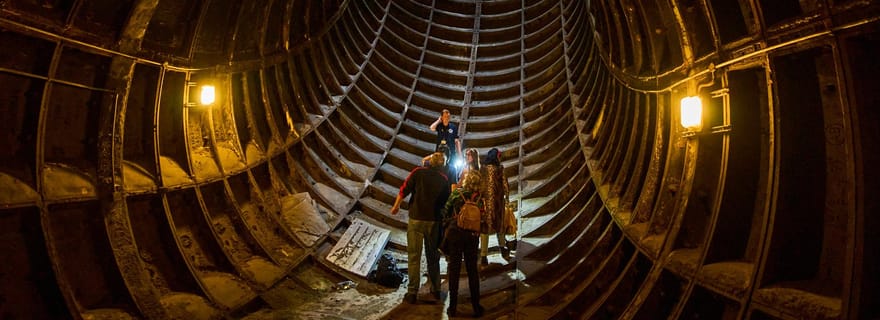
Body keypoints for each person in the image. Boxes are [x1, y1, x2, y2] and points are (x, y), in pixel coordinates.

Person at [391, 152, 450, 304]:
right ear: (442, 165)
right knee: (433, 257)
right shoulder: (444, 180)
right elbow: (445, 204)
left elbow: (404, 188)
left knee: (414, 256)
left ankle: (412, 293)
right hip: (433, 221)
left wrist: (396, 205)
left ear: (430, 161)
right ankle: (436, 289)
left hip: (416, 219)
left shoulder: (418, 172)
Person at [441, 172, 485, 318]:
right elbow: (483, 217)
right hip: (472, 237)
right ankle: (476, 307)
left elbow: (446, 210)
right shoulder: (479, 198)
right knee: (472, 271)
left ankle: (452, 307)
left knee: (454, 270)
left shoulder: (457, 194)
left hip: (456, 234)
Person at [480, 147, 510, 265]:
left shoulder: (482, 169)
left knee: (484, 228)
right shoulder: (500, 169)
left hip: (484, 202)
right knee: (499, 225)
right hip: (497, 202)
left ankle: (483, 256)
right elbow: (505, 185)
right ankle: (503, 248)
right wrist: (507, 198)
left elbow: (479, 183)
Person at [430, 109, 462, 182]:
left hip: (451, 153)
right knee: (438, 170)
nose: (447, 118)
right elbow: (431, 128)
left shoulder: (453, 127)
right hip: (440, 153)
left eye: (448, 116)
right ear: (442, 117)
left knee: (451, 170)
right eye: (445, 116)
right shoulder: (439, 126)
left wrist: (459, 154)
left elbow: (456, 140)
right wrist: (438, 120)